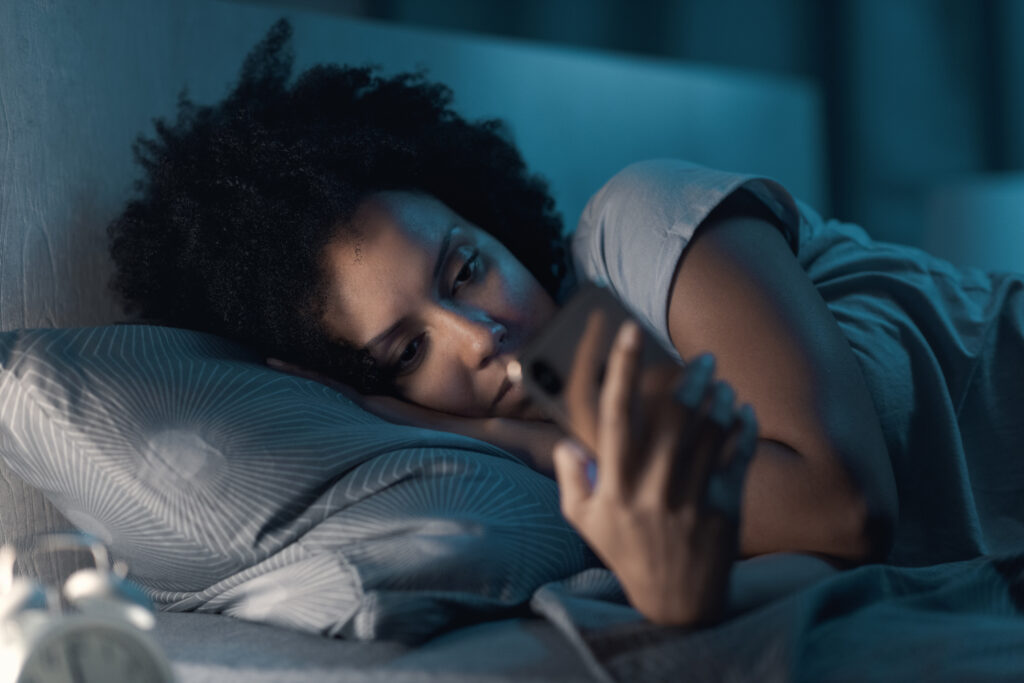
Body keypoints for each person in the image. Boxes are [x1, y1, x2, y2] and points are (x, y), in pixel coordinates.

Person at [107, 19, 1024, 626]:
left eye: (465, 266)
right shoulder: (563, 491)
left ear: (492, 219)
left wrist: (504, 432)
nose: (480, 335)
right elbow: (821, 571)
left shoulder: (638, 227)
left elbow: (842, 507)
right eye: (410, 350)